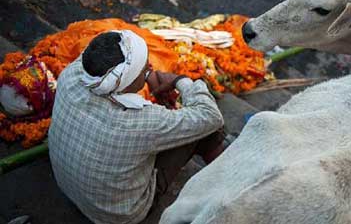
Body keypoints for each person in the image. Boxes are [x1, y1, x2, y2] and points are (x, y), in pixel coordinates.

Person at [48, 30, 225, 224]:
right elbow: (211, 116)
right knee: (207, 130)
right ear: (129, 79)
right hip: (120, 215)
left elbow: (110, 69)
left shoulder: (70, 75)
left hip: (69, 188)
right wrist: (179, 80)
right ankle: (227, 183)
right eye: (144, 68)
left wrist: (146, 75)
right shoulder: (140, 121)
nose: (149, 67)